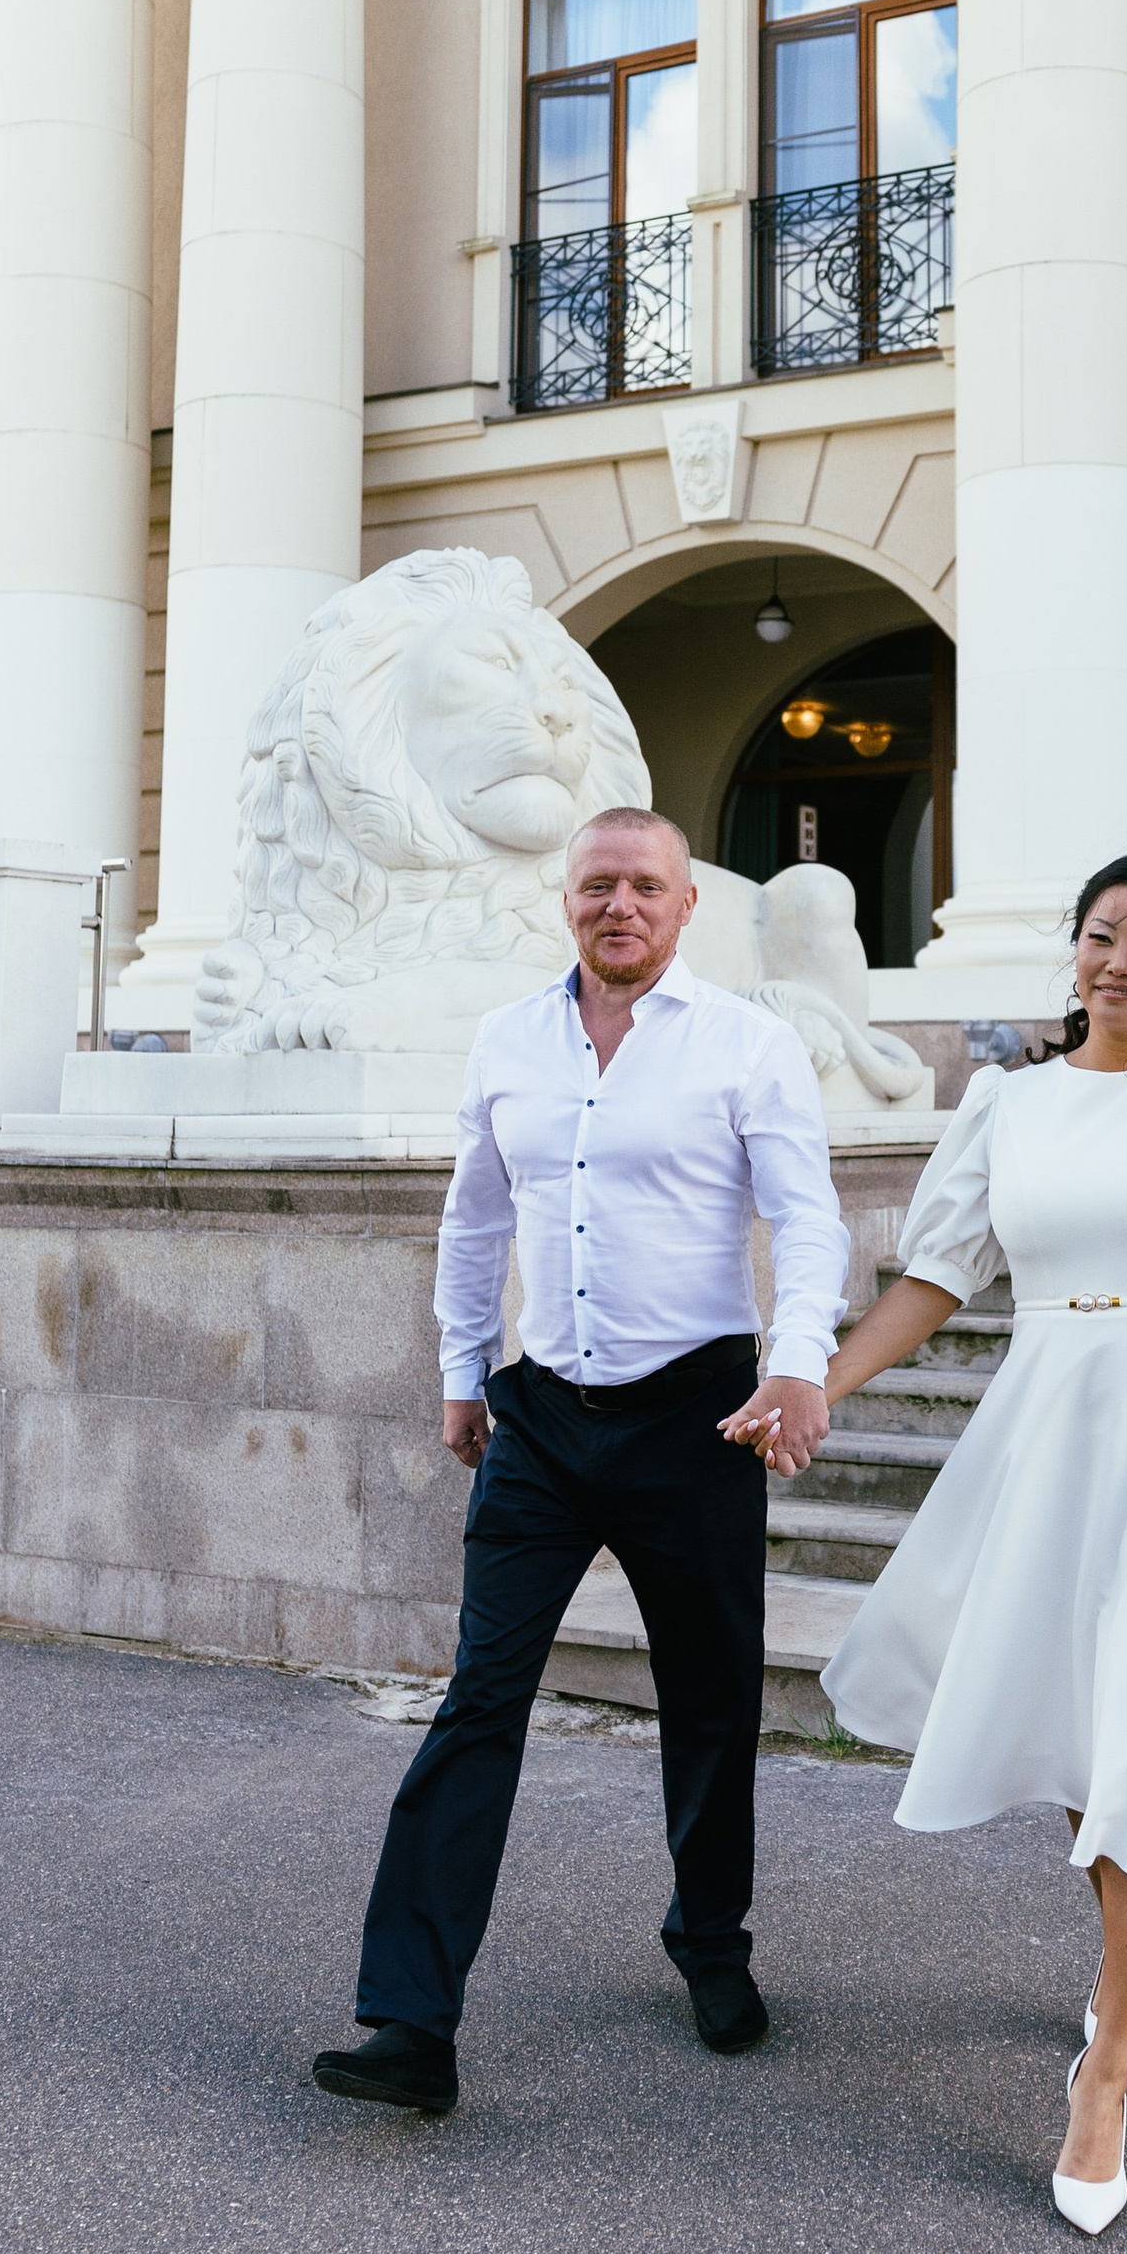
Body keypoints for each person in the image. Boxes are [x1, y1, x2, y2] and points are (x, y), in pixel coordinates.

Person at [728, 854, 1127, 2233]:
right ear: (1071, 949)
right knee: (1081, 1729)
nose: (1121, 960)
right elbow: (940, 1275)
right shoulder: (1009, 1101)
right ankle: (1126, 1971)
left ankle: (1106, 2067)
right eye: (1101, 934)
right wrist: (816, 1382)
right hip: (1049, 1415)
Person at [312, 806, 851, 2116]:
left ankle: (710, 1942)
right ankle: (410, 2024)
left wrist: (798, 1363)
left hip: (697, 1415)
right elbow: (475, 1218)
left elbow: (806, 1217)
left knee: (710, 1698)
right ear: (567, 900)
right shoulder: (510, 1040)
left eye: (646, 886)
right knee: (478, 1701)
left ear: (685, 904)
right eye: (599, 884)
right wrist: (462, 1371)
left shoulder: (748, 1043)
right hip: (542, 1419)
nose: (622, 906)